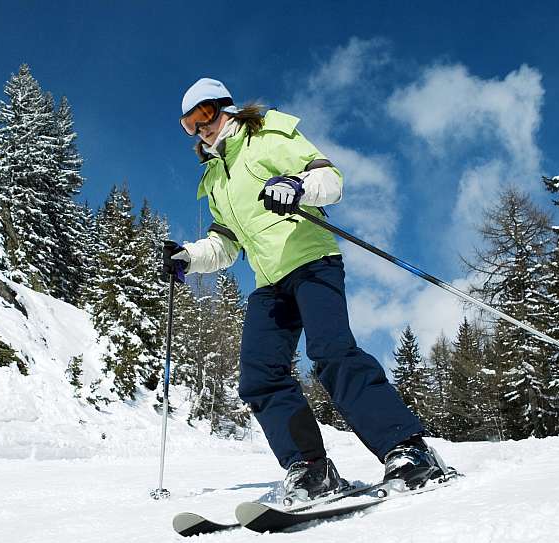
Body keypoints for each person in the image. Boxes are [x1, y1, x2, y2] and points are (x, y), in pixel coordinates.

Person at [162, 77, 450, 504]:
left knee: (331, 352)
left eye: (205, 115)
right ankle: (312, 470)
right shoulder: (215, 180)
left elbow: (329, 178)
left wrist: (297, 186)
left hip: (312, 261)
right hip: (269, 282)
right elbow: (225, 243)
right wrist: (188, 255)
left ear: (227, 107)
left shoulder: (266, 136)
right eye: (190, 123)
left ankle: (409, 451)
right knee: (259, 376)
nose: (201, 128)